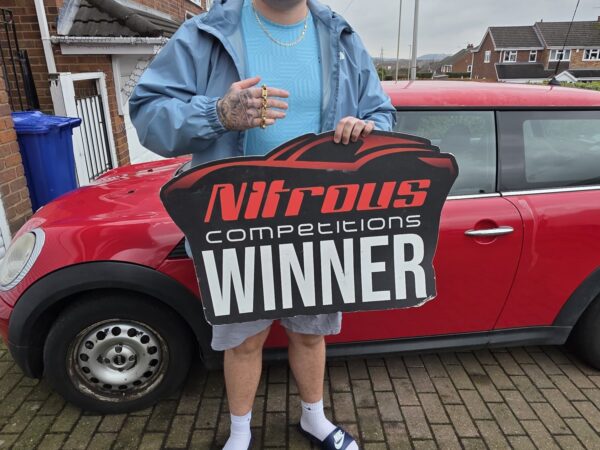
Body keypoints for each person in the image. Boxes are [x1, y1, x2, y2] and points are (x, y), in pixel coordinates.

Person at [129, 0, 395, 448]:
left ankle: (314, 418)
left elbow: (382, 114)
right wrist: (216, 115)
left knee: (310, 334)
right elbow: (149, 115)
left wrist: (368, 130)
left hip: (318, 225)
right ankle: (239, 434)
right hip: (235, 225)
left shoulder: (341, 37)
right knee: (243, 340)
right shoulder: (206, 33)